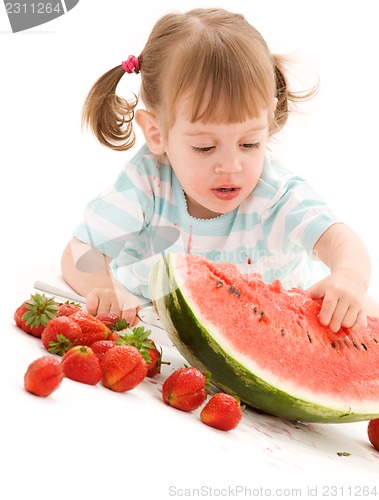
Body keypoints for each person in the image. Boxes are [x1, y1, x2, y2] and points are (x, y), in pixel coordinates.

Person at [61, 7, 379, 332]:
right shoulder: (148, 183)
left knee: (364, 311)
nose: (231, 166)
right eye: (205, 147)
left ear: (267, 122)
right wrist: (104, 288)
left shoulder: (277, 194)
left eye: (250, 143)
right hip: (171, 335)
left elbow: (340, 240)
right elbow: (80, 253)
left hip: (285, 324)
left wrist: (349, 278)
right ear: (157, 133)